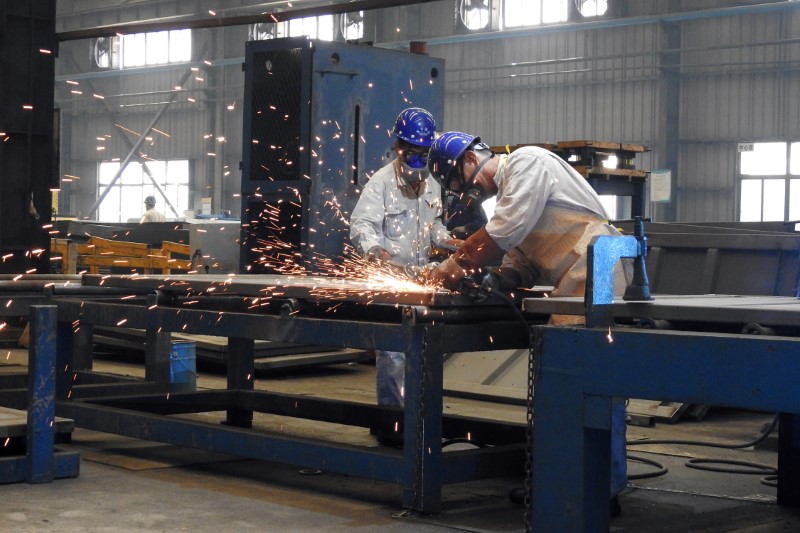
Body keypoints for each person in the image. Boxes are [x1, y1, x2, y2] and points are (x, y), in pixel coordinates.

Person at [425, 131, 630, 513]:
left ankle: (597, 487)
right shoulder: (507, 197)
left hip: (597, 268)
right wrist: (496, 278)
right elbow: (521, 261)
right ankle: (571, 480)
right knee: (564, 383)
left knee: (588, 382)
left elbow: (503, 233)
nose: (464, 190)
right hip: (575, 281)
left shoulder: (527, 161)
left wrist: (451, 268)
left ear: (469, 160)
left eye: (456, 181)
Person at [349, 108, 454, 446]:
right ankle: (392, 425)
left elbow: (434, 228)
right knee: (393, 356)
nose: (417, 161)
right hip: (390, 280)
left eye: (424, 154)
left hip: (422, 280)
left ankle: (418, 419)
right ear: (398, 147)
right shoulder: (380, 184)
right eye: (412, 153)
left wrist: (452, 241)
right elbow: (362, 226)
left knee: (422, 353)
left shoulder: (432, 185)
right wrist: (373, 250)